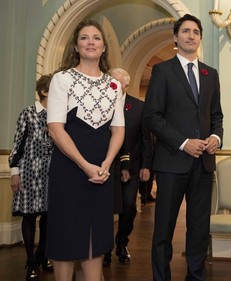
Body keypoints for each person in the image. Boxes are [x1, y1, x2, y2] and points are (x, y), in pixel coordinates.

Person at [143, 14, 224, 281]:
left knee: (199, 228)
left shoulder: (210, 74)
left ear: (200, 38)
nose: (191, 36)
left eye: (196, 32)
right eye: (186, 31)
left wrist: (216, 137)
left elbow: (216, 116)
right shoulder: (163, 71)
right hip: (171, 162)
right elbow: (152, 116)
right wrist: (183, 143)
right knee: (163, 230)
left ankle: (196, 277)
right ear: (176, 38)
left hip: (203, 164)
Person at [45, 19, 125, 281]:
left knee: (96, 239)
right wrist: (84, 164)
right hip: (69, 169)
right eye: (84, 38)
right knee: (66, 237)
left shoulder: (114, 86)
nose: (91, 42)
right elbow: (56, 129)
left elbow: (118, 130)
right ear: (76, 47)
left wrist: (106, 163)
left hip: (101, 172)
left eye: (96, 38)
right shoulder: (62, 79)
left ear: (103, 48)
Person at [102, 68, 153, 266]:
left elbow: (145, 140)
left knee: (129, 207)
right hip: (105, 167)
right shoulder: (101, 104)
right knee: (105, 210)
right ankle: (105, 249)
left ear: (125, 85)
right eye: (110, 81)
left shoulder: (139, 107)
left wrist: (146, 166)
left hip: (132, 166)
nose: (112, 85)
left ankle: (122, 242)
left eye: (116, 82)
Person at [9, 74, 54, 281]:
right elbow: (17, 146)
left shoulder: (57, 117)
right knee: (29, 217)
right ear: (45, 92)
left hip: (51, 175)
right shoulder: (27, 114)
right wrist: (14, 173)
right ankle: (31, 261)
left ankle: (43, 255)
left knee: (48, 218)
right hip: (28, 173)